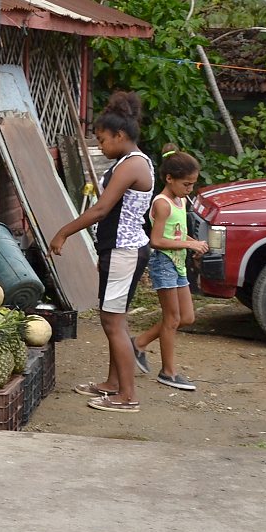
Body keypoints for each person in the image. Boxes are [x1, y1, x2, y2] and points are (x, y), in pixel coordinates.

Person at [49, 92, 153, 413]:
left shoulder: (131, 165)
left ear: (120, 136)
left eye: (103, 140)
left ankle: (128, 396)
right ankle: (112, 384)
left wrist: (63, 232)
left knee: (113, 323)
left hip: (125, 251)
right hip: (120, 250)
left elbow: (102, 209)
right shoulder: (131, 162)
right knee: (114, 319)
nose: (101, 146)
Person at [132, 145, 207, 391]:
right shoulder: (162, 203)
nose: (190, 189)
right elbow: (155, 240)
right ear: (169, 178)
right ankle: (168, 372)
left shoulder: (180, 199)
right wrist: (188, 243)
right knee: (172, 319)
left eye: (193, 184)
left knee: (186, 317)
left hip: (178, 263)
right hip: (164, 262)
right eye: (186, 184)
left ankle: (139, 342)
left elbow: (179, 231)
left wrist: (192, 245)